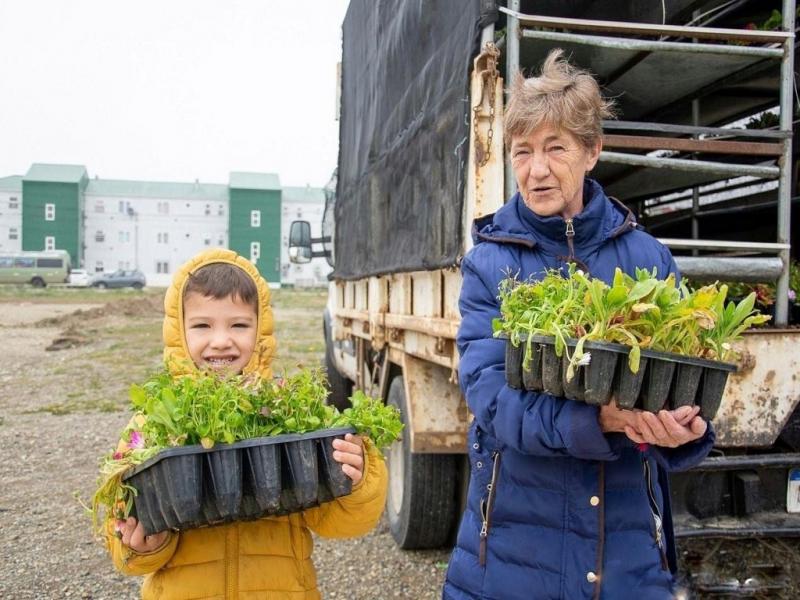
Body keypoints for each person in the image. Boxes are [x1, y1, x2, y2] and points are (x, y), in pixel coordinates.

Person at [442, 50, 713, 600]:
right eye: (523, 152)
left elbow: (688, 381)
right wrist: (601, 421)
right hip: (516, 554)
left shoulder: (649, 259)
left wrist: (686, 433)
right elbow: (492, 398)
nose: (536, 170)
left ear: (593, 151)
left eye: (555, 148)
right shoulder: (490, 265)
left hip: (628, 558)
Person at [106, 248, 387, 599]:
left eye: (239, 325)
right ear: (179, 332)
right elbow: (124, 550)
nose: (221, 340)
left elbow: (344, 523)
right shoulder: (152, 427)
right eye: (202, 326)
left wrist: (359, 479)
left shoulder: (287, 414)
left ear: (260, 330)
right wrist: (144, 546)